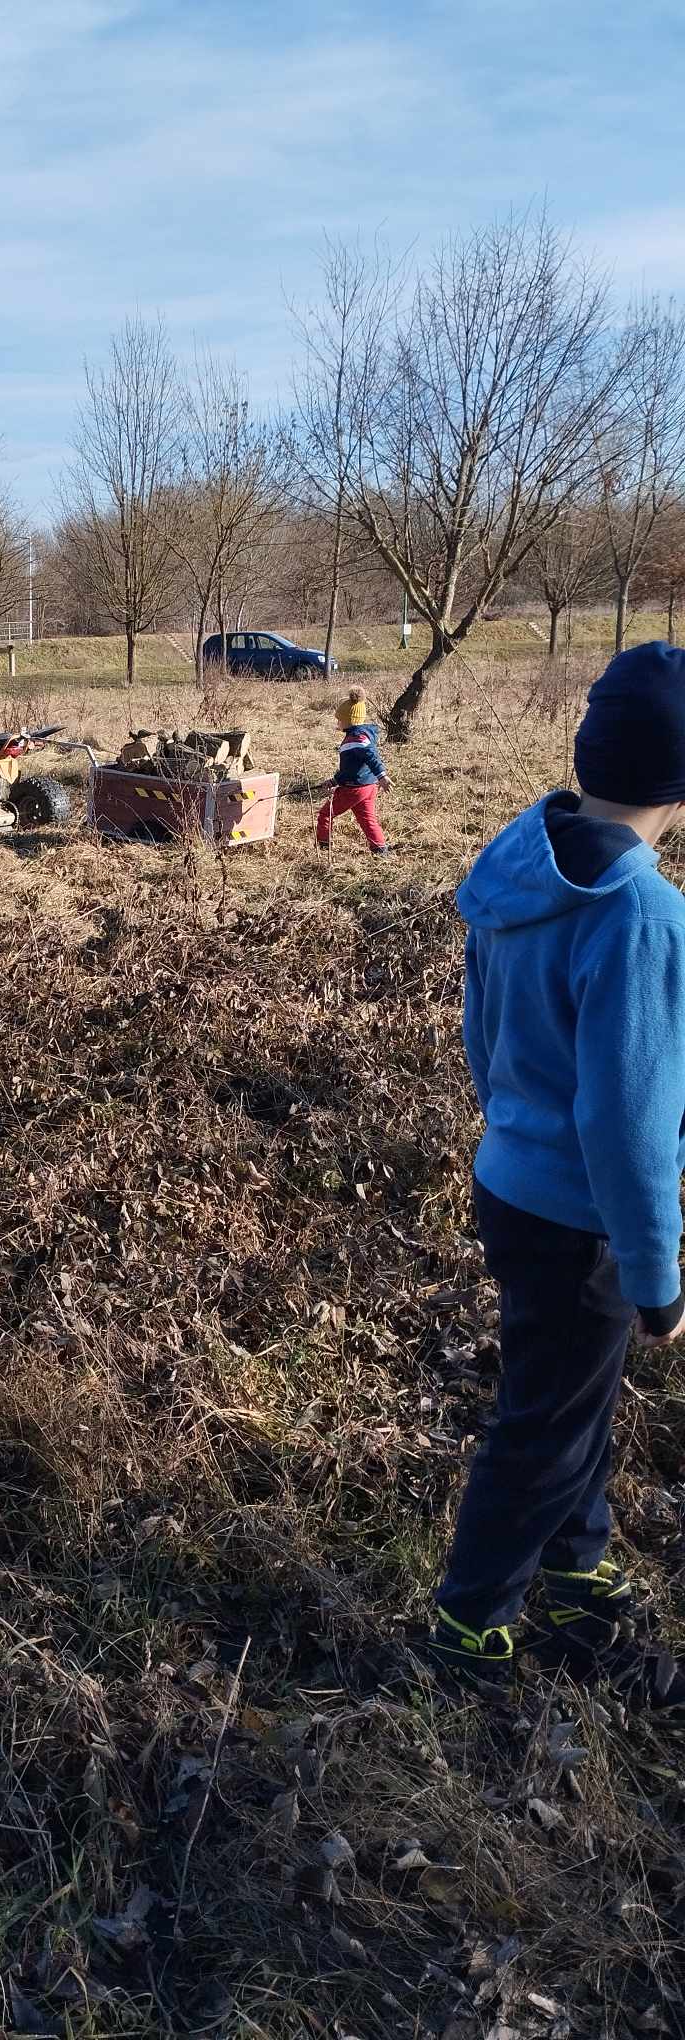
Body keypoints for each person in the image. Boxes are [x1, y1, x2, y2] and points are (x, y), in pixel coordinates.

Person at [430, 642, 685, 1706]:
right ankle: (469, 1624)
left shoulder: (519, 866)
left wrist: (513, 1133)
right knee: (544, 1423)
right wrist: (656, 1279)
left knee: (571, 1397)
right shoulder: (642, 915)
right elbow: (630, 1125)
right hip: (585, 1218)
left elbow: (482, 1035)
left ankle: (577, 1570)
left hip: (512, 1184)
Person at [316, 696, 392, 855]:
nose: (338, 722)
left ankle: (323, 848)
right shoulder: (363, 734)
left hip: (353, 789)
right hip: (368, 786)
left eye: (340, 719)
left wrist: (382, 776)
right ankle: (380, 850)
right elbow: (351, 768)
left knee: (325, 814)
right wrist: (334, 780)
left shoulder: (357, 739)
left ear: (350, 720)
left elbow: (372, 758)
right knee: (367, 819)